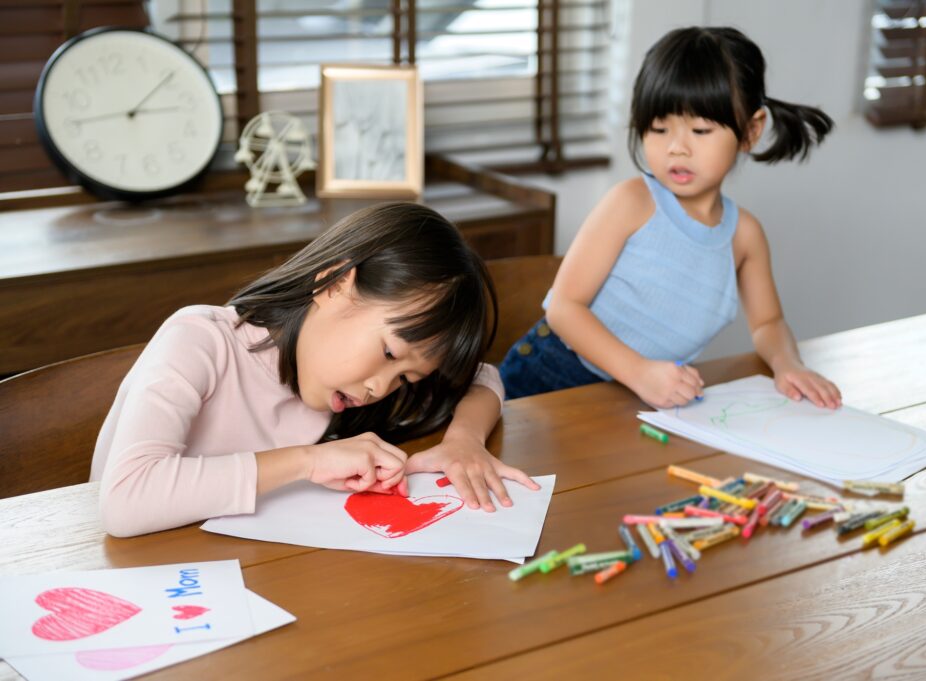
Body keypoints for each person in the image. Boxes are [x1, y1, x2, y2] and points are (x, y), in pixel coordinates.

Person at [93, 202, 538, 537]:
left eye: (406, 378)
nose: (381, 388)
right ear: (335, 283)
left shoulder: (340, 381)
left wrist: (464, 441)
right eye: (388, 353)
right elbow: (125, 500)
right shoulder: (199, 342)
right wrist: (309, 461)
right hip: (141, 583)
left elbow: (483, 377)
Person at [500, 26, 842, 410]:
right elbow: (564, 308)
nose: (677, 147)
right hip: (551, 375)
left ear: (751, 131)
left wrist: (788, 364)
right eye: (660, 129)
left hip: (642, 397)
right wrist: (639, 373)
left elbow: (768, 324)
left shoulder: (744, 235)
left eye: (700, 130)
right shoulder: (632, 202)